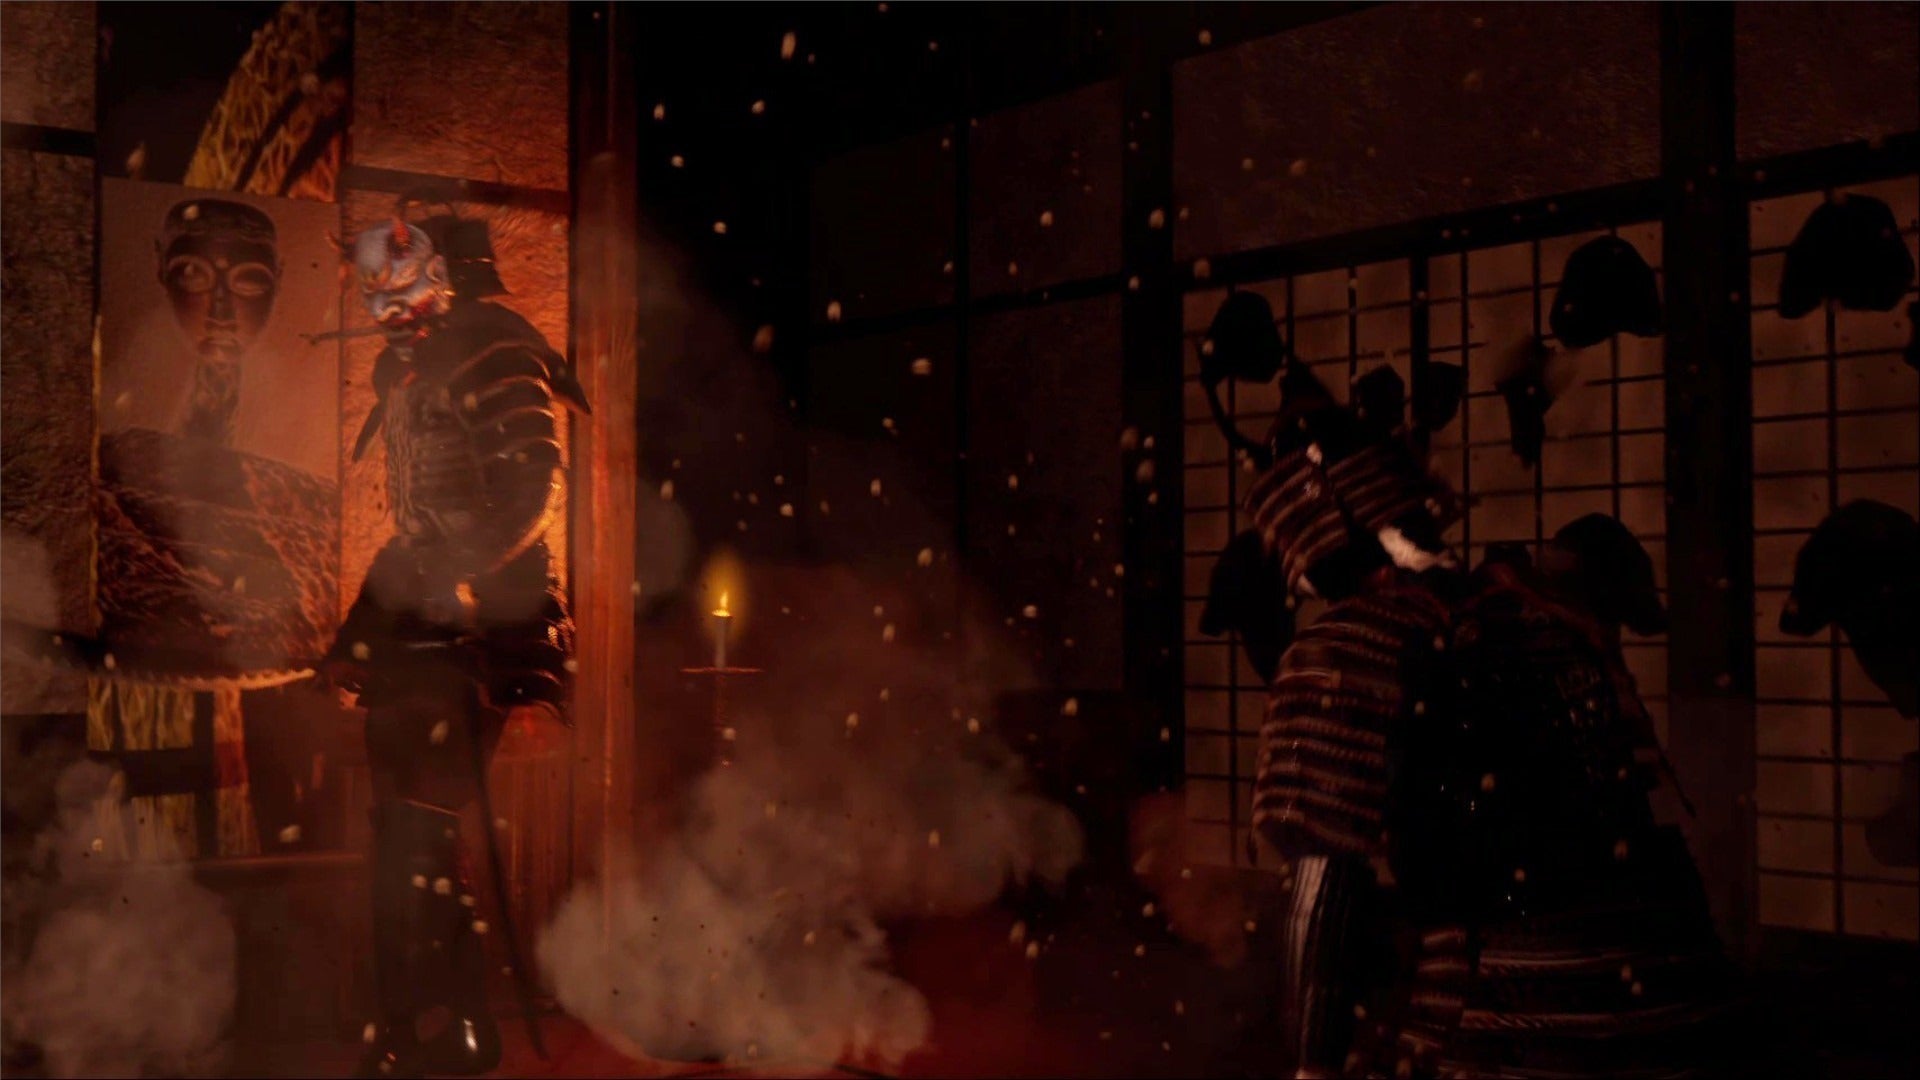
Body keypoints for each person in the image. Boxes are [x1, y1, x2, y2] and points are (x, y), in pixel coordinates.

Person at [1244, 367, 1733, 1078]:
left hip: (1521, 1009)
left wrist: (1311, 1068)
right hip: (1687, 999)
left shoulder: (1350, 646)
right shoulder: (1544, 612)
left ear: (1316, 547)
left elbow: (1325, 892)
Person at [319, 215, 587, 1078]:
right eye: (375, 289)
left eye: (402, 282)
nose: (387, 304)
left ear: (448, 274)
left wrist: (462, 580)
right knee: (403, 833)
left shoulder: (496, 350)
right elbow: (414, 537)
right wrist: (359, 634)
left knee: (422, 833)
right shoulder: (410, 370)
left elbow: (531, 495)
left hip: (486, 624)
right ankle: (421, 1023)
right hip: (418, 624)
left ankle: (451, 1021)